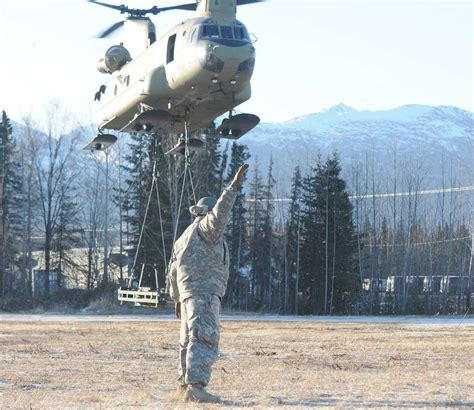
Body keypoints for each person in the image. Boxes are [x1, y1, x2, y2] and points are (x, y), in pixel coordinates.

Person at [168, 164, 249, 403]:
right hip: (204, 294)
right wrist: (233, 188)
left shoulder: (184, 237)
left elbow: (172, 272)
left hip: (188, 296)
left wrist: (176, 299)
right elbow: (220, 213)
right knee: (204, 338)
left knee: (188, 341)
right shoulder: (207, 230)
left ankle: (184, 386)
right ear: (207, 213)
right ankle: (196, 387)